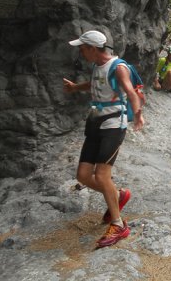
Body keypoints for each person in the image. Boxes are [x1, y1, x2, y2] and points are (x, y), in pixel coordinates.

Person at [63, 30, 145, 248]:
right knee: (82, 175)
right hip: (95, 122)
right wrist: (75, 87)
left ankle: (119, 225)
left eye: (82, 48)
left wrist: (137, 115)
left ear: (92, 48)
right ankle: (118, 195)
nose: (80, 52)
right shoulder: (97, 66)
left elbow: (131, 91)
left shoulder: (118, 67)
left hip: (113, 125)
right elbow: (95, 85)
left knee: (101, 175)